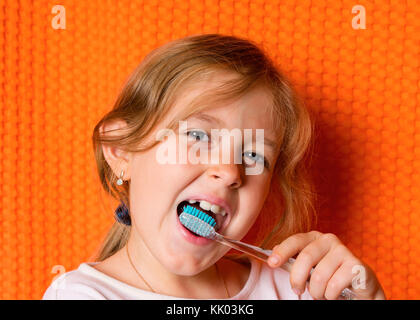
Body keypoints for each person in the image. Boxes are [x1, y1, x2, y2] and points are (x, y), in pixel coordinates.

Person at [43, 34, 385, 300]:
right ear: (120, 151)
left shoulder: (298, 288)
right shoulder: (79, 294)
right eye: (197, 135)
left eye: (254, 157)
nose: (230, 171)